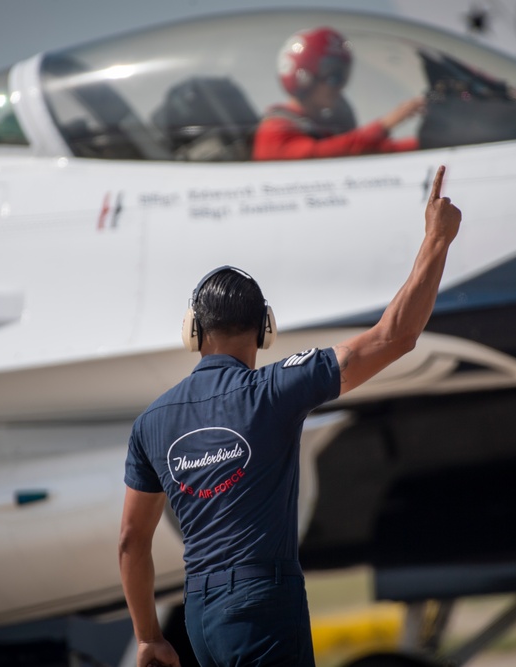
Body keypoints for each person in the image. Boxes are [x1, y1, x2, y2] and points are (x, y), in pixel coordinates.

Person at [119, 166, 461, 667]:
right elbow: (395, 337)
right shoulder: (275, 389)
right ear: (266, 330)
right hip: (263, 604)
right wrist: (437, 240)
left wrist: (149, 637)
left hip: (200, 616)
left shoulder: (151, 422)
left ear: (193, 330)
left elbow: (132, 540)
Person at [253, 27, 426, 161]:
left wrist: (425, 143)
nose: (340, 86)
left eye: (343, 75)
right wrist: (386, 124)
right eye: (333, 76)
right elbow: (323, 154)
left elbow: (370, 152)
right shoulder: (274, 132)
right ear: (304, 76)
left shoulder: (316, 128)